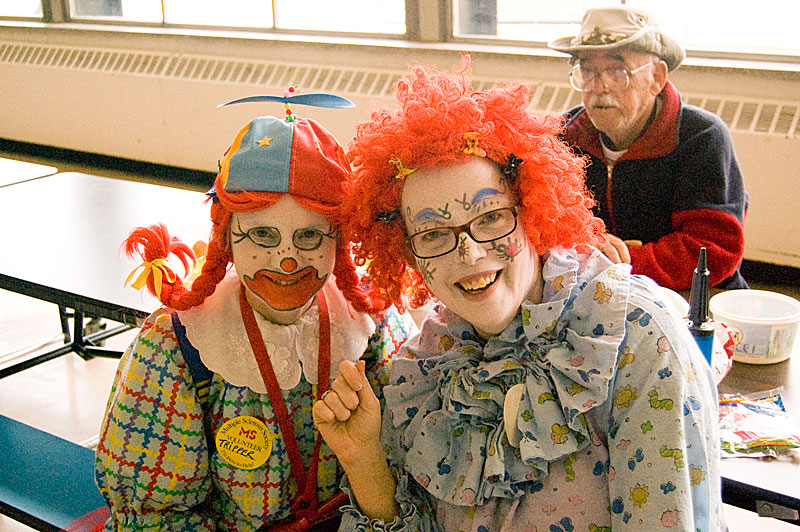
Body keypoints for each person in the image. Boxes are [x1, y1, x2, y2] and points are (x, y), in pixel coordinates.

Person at [312, 58, 725, 531]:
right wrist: (364, 458)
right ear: (407, 250)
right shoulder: (427, 365)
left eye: (490, 217)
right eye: (433, 233)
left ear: (532, 210)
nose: (469, 253)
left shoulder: (634, 339)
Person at [94, 108, 415, 530]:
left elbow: (409, 470)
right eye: (262, 234)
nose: (286, 260)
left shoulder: (375, 327)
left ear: (339, 240)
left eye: (310, 235)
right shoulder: (175, 348)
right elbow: (158, 516)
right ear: (226, 237)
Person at [548, 6, 748, 291]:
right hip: (594, 289)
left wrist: (624, 261)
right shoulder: (565, 136)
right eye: (588, 71)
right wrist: (587, 245)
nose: (599, 87)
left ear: (656, 77)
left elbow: (713, 249)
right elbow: (544, 221)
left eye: (617, 71)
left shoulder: (702, 136)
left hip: (691, 293)